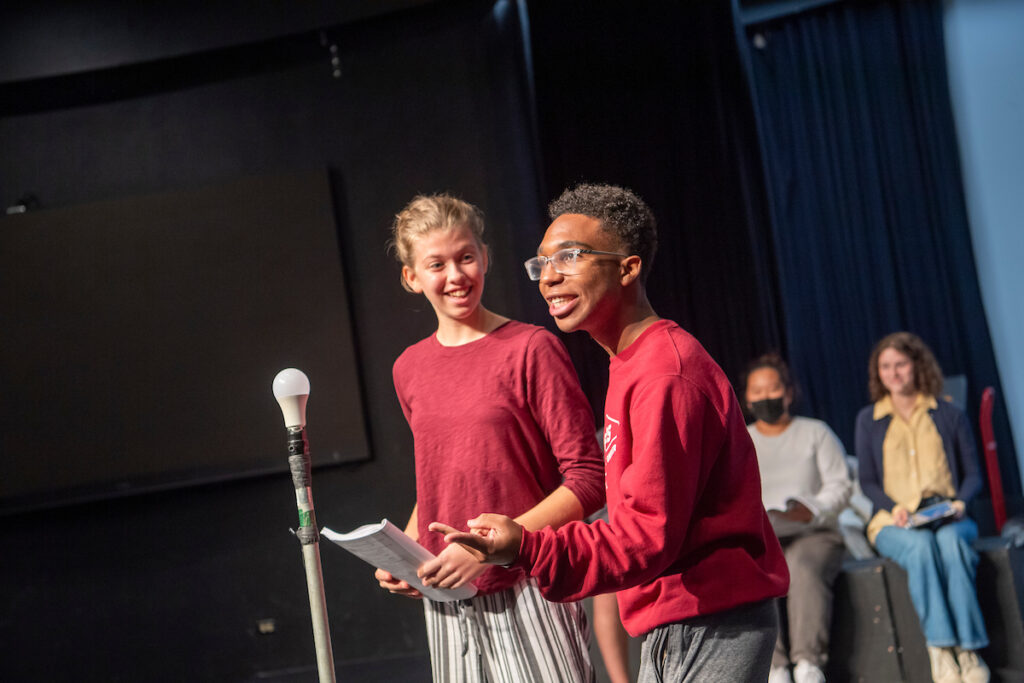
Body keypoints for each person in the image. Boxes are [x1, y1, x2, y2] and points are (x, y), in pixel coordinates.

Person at [426, 183, 790, 682]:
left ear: (628, 266)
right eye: (541, 264)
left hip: (710, 620)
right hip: (680, 621)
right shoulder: (631, 363)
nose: (549, 277)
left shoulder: (666, 374)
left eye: (569, 257)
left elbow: (645, 535)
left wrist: (526, 546)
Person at [377, 194, 606, 682]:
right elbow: (437, 477)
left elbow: (588, 478)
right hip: (448, 599)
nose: (456, 276)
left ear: (485, 256)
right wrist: (406, 551)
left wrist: (493, 547)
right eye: (436, 264)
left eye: (465, 257)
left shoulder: (531, 348)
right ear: (411, 278)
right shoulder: (408, 368)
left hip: (532, 585)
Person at [855, 332, 989, 683]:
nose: (894, 373)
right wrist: (894, 507)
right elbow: (867, 481)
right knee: (921, 549)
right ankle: (940, 649)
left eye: (900, 364)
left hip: (947, 514)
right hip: (894, 519)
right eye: (885, 367)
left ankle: (969, 650)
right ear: (878, 373)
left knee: (949, 544)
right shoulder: (868, 420)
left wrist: (960, 502)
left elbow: (974, 474)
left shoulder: (948, 413)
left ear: (916, 365)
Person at [743, 354, 852, 683]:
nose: (766, 397)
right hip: (765, 536)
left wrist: (813, 508)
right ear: (747, 398)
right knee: (755, 567)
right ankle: (775, 668)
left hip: (814, 532)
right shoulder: (742, 440)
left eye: (773, 388)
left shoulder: (815, 432)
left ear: (789, 393)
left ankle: (808, 665)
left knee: (802, 564)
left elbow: (841, 485)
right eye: (757, 391)